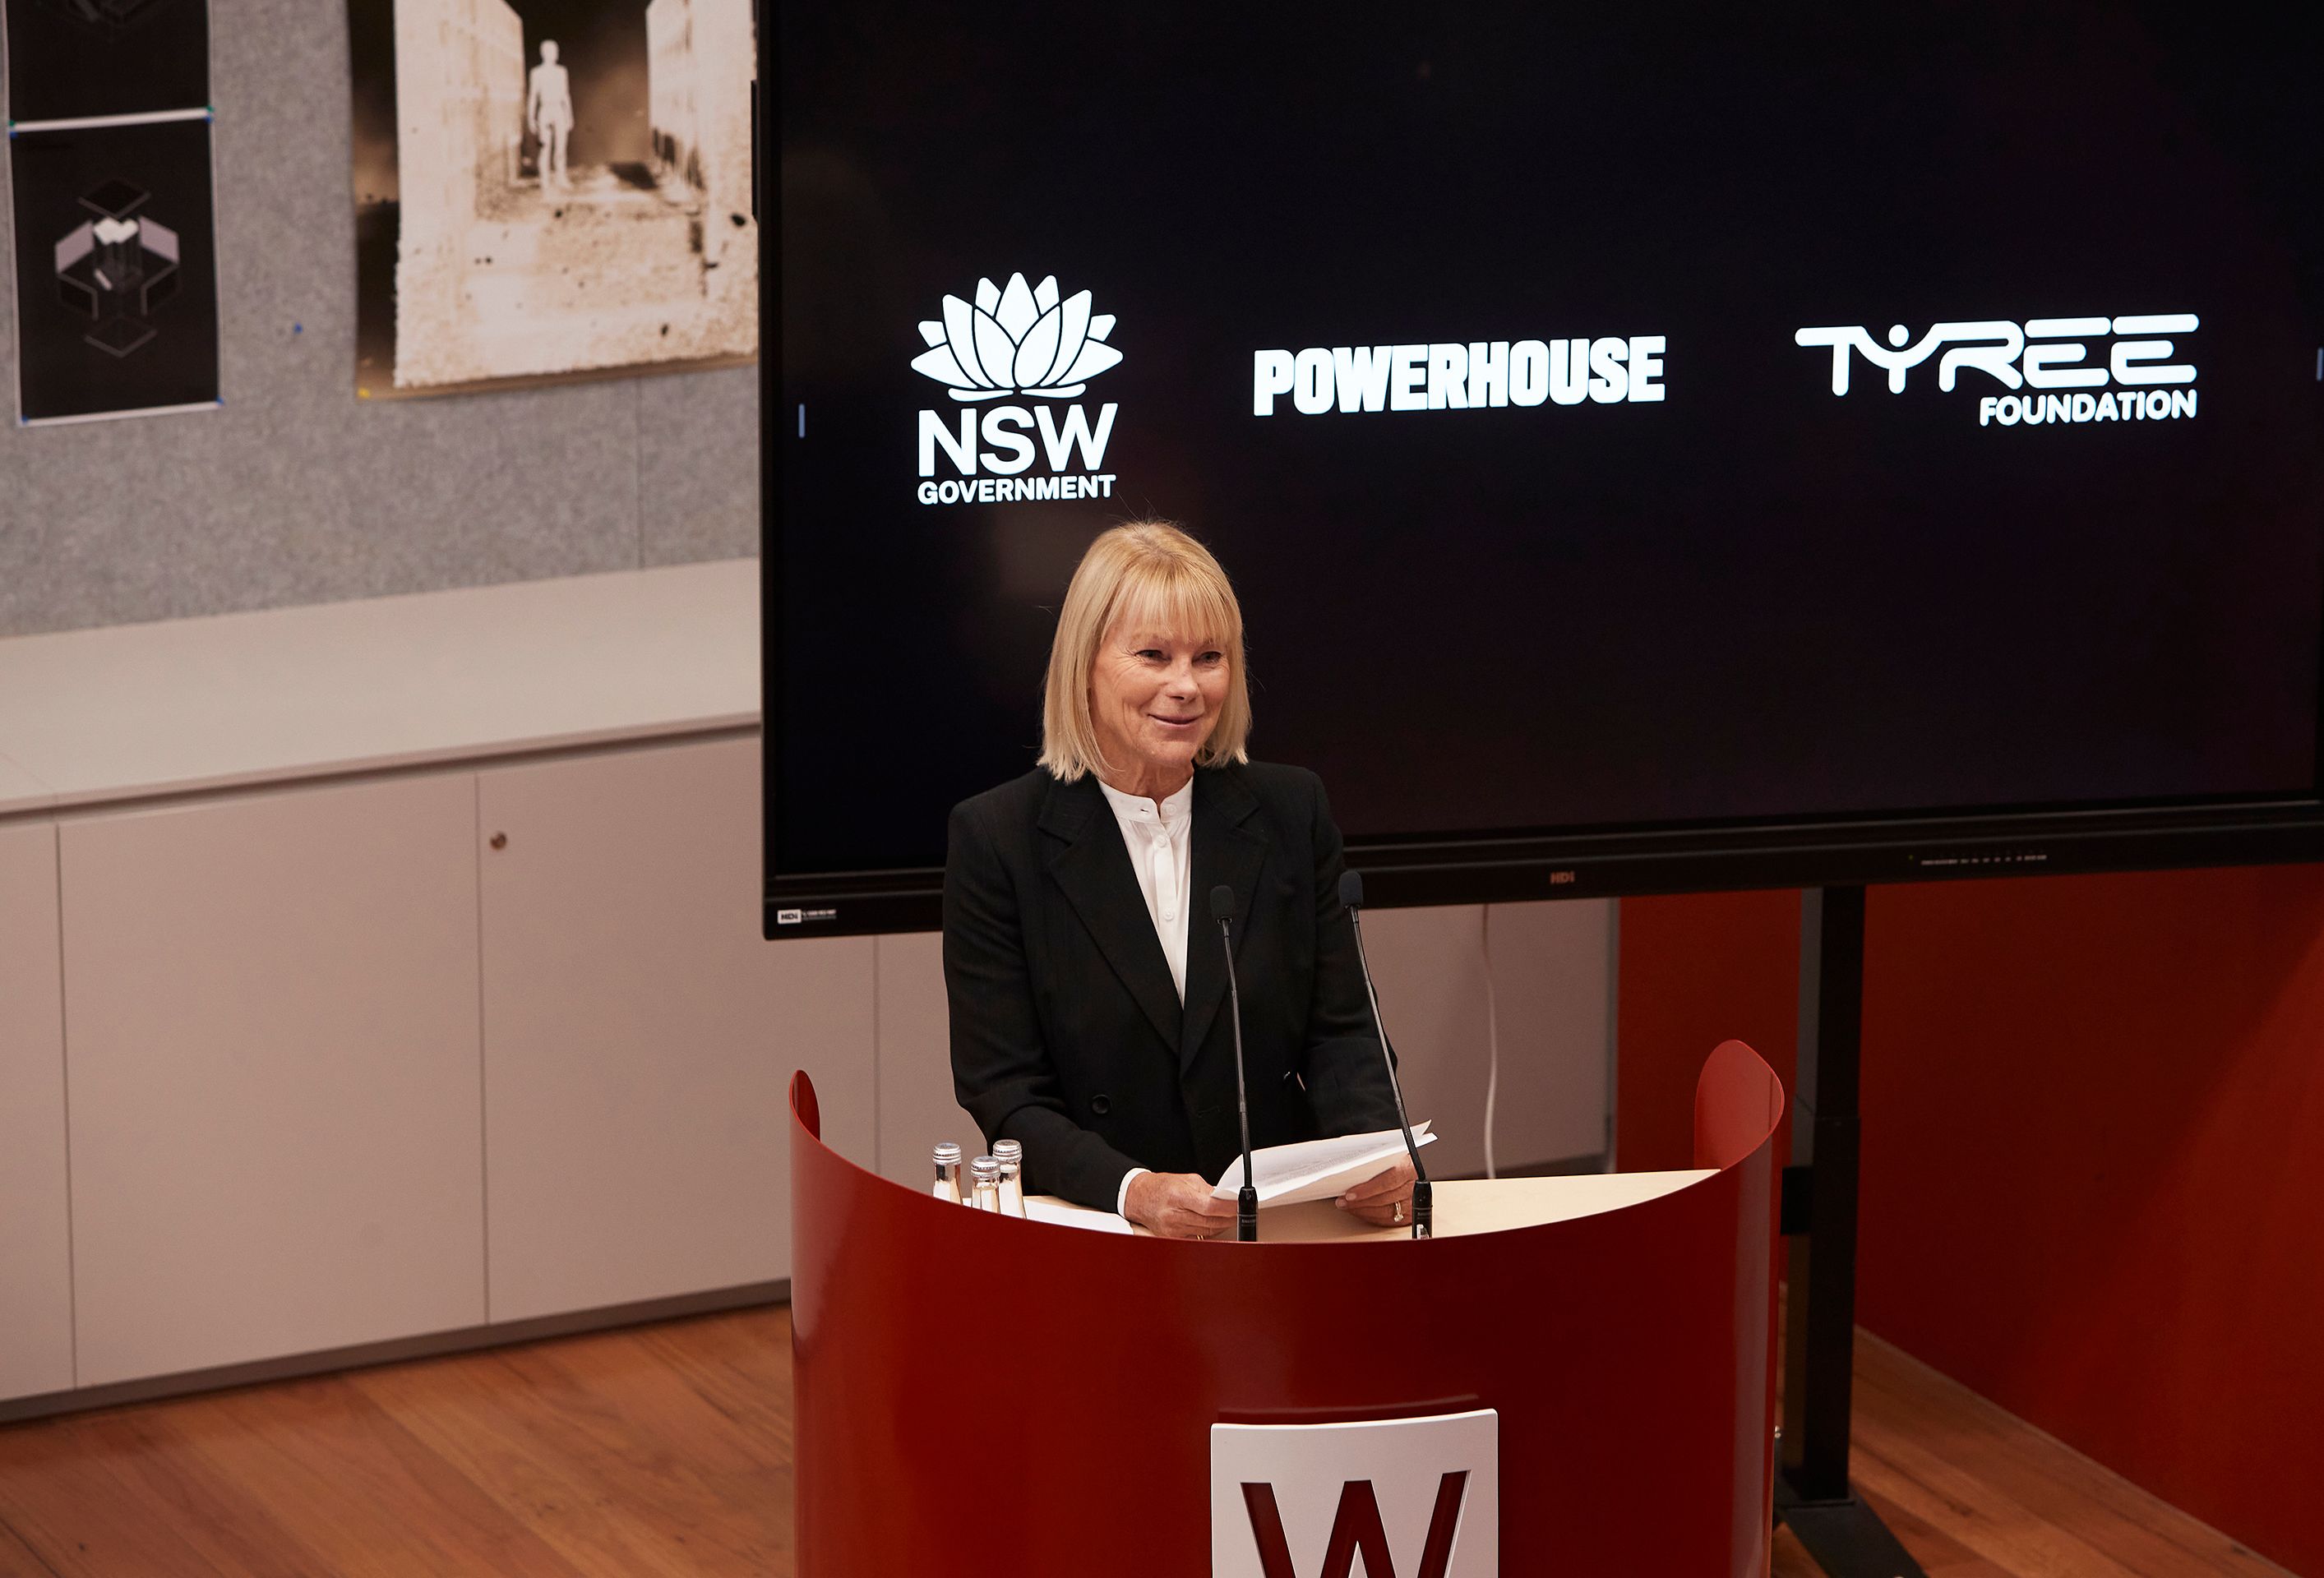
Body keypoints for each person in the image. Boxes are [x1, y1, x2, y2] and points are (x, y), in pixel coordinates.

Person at [944, 521, 1417, 1239]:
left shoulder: (1290, 811)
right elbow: (1004, 1092)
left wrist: (1374, 1154)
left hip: (1276, 1222)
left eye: (1208, 658)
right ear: (1084, 667)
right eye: (1153, 656)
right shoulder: (998, 838)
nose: (1186, 686)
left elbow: (1344, 1033)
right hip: (1102, 1229)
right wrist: (1133, 1191)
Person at [527, 41, 574, 191]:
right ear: (544, 53)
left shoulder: (561, 71)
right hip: (545, 110)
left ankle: (561, 178)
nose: (555, 54)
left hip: (558, 109)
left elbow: (565, 95)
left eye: (556, 51)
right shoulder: (537, 73)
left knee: (561, 147)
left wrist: (569, 115)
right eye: (552, 51)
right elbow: (533, 96)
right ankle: (545, 180)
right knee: (545, 147)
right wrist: (531, 118)